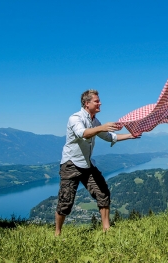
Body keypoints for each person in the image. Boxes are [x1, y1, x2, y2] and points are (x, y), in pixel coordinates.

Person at [55, 89, 137, 235]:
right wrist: (101, 127)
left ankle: (107, 229)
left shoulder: (94, 121)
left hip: (87, 164)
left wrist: (131, 135)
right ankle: (57, 233)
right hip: (71, 164)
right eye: (97, 101)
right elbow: (83, 133)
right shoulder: (75, 118)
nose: (100, 103)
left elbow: (109, 137)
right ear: (87, 103)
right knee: (65, 200)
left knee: (103, 192)